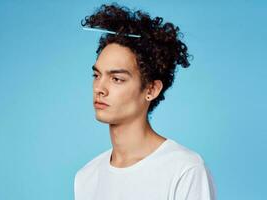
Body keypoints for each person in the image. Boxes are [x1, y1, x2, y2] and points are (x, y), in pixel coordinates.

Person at [74, 3, 216, 200]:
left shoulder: (185, 169)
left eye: (117, 79)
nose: (100, 88)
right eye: (97, 75)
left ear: (151, 89)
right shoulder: (86, 177)